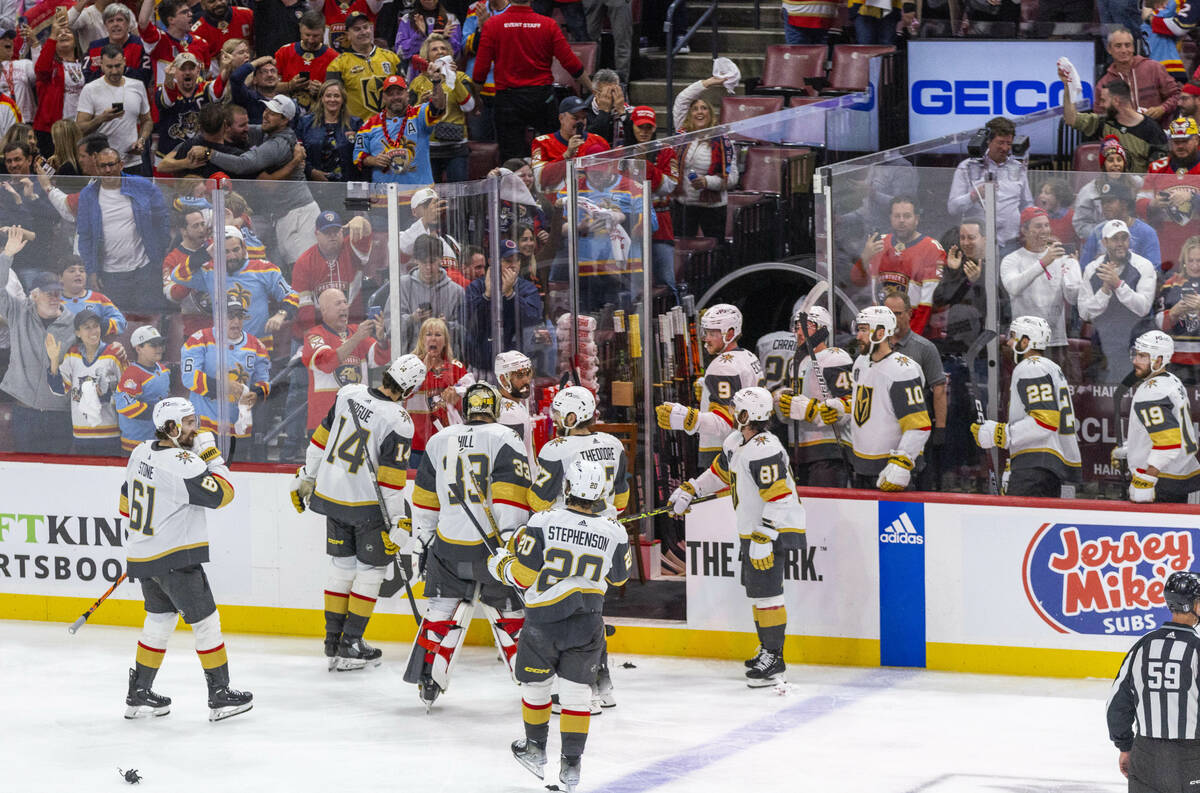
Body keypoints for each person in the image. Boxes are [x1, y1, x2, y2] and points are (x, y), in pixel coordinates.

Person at [490, 457, 630, 793]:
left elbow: (523, 575)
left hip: (544, 623)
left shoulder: (542, 521)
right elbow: (620, 576)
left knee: (536, 688)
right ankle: (572, 766)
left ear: (567, 487)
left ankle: (536, 750)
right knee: (577, 694)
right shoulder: (614, 530)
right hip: (588, 623)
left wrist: (501, 565)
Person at [119, 397, 250, 723]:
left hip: (145, 554)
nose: (197, 427)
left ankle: (139, 694)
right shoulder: (181, 461)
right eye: (190, 423)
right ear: (172, 429)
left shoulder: (140, 451)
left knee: (159, 621)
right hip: (176, 558)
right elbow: (223, 494)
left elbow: (125, 504)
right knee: (207, 623)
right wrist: (210, 453)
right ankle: (220, 697)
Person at [290, 354, 424, 669]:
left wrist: (305, 478)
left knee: (341, 566)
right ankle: (351, 642)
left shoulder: (349, 393)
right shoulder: (399, 420)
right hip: (366, 507)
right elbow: (391, 483)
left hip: (331, 498)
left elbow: (318, 443)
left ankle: (332, 641)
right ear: (409, 389)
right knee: (371, 572)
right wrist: (398, 524)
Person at [406, 380, 532, 709]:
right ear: (494, 409)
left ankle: (428, 677)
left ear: (465, 410)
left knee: (440, 612)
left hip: (448, 549)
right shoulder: (506, 437)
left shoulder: (438, 439)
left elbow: (423, 501)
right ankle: (531, 680)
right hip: (490, 550)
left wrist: (425, 541)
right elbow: (511, 498)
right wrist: (511, 545)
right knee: (510, 613)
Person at [668, 385, 805, 686]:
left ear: (747, 414)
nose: (730, 410)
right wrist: (692, 489)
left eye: (735, 407)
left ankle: (774, 657)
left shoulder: (765, 448)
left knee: (769, 594)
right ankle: (767, 650)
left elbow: (780, 496)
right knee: (759, 593)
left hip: (772, 531)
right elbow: (719, 472)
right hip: (755, 530)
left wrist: (764, 536)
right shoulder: (736, 441)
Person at [200, 96, 323, 266]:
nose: (265, 115)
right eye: (266, 110)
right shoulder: (270, 131)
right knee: (289, 268)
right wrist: (223, 127)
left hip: (299, 214)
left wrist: (208, 153)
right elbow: (245, 129)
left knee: (302, 268)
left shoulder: (279, 143)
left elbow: (243, 164)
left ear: (284, 120)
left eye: (273, 113)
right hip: (284, 214)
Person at [1110, 571, 1200, 792]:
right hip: (1190, 757)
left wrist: (1125, 746)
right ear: (1193, 606)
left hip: (1145, 755)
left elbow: (1116, 705)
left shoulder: (1142, 646)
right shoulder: (1196, 649)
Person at [971, 316, 1081, 497]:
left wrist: (1001, 434)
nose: (1008, 341)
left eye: (1013, 336)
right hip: (1046, 465)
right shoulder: (1051, 367)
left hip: (1034, 467)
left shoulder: (1031, 367)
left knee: (1018, 524)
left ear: (1026, 341)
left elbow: (1045, 421)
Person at [471, 0, 591, 162]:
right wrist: (592, 88)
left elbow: (480, 71)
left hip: (508, 100)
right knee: (555, 150)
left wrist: (476, 99)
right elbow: (572, 64)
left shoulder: (493, 24)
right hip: (541, 98)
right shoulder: (548, 24)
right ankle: (556, 182)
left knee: (511, 161)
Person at [655, 303, 764, 470]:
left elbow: (725, 422)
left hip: (722, 454)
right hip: (750, 447)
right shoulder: (749, 357)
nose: (706, 338)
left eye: (713, 333)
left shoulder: (722, 366)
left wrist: (688, 418)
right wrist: (708, 392)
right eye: (706, 332)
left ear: (730, 333)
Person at [0, 230, 76, 454]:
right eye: (48, 293)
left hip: (60, 415)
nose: (54, 297)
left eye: (58, 293)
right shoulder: (18, 313)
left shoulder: (74, 324)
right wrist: (6, 256)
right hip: (25, 412)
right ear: (34, 295)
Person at [170, 225, 299, 355]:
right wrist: (204, 254)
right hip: (225, 350)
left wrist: (281, 314)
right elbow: (177, 275)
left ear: (244, 248)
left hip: (259, 346)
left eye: (236, 250)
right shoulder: (210, 272)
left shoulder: (264, 269)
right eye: (225, 252)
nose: (232, 256)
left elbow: (292, 295)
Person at [848, 306, 932, 492]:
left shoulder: (902, 370)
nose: (858, 336)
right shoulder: (861, 363)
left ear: (880, 332)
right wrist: (839, 409)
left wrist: (902, 462)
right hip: (862, 467)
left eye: (863, 330)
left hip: (891, 471)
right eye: (858, 329)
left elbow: (919, 425)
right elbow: (863, 405)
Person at [1112, 331, 1200, 502]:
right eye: (1136, 354)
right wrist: (1132, 449)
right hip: (1176, 474)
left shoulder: (1153, 391)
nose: (1135, 361)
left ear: (1159, 360)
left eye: (1142, 356)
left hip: (1160, 480)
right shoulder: (1172, 381)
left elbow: (1168, 443)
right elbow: (1165, 431)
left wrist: (1146, 480)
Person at [774, 305, 853, 488]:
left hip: (829, 450)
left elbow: (851, 403)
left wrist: (814, 411)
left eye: (806, 326)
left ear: (822, 329)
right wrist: (781, 403)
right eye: (797, 326)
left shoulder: (835, 357)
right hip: (799, 451)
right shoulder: (796, 362)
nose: (799, 332)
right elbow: (794, 406)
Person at [180, 297, 270, 457]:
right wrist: (223, 386)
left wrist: (256, 394)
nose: (236, 321)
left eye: (239, 316)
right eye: (230, 316)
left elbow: (264, 381)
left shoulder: (256, 345)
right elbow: (189, 378)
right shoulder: (199, 339)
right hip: (204, 429)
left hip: (239, 430)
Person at [300, 287, 391, 434]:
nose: (344, 307)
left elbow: (380, 359)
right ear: (324, 311)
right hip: (326, 422)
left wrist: (381, 338)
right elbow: (326, 363)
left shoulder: (356, 330)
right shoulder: (314, 335)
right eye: (338, 304)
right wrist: (356, 338)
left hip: (357, 419)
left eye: (345, 302)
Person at [851, 195, 945, 335]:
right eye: (897, 216)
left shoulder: (932, 249)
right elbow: (856, 281)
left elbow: (927, 306)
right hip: (880, 332)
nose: (901, 221)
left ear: (917, 219)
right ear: (891, 218)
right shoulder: (879, 244)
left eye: (907, 216)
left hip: (915, 334)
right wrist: (865, 256)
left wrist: (908, 340)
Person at [1079, 220, 1158, 384]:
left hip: (1136, 342)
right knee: (1102, 400)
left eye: (1124, 238)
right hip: (1104, 343)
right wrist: (1105, 290)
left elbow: (1143, 307)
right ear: (1104, 242)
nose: (1121, 243)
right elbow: (1084, 312)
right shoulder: (1092, 269)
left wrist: (1118, 285)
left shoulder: (1144, 266)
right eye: (1115, 239)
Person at [999, 207, 1081, 360]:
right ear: (1024, 230)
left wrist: (1073, 269)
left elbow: (1073, 298)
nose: (1044, 230)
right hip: (1025, 342)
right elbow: (1013, 287)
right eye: (1038, 226)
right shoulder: (1012, 259)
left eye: (1046, 225)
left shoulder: (1060, 257)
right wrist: (1043, 262)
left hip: (1055, 340)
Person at [883, 291, 947, 489]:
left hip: (915, 427)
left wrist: (940, 428)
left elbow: (939, 389)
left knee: (919, 480)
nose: (893, 319)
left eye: (898, 313)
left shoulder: (924, 348)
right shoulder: (875, 348)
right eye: (888, 313)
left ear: (910, 314)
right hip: (885, 429)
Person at [946, 116, 1033, 252]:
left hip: (1012, 243)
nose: (1005, 148)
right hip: (977, 244)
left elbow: (1027, 204)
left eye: (1008, 143)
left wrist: (1029, 230)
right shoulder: (967, 167)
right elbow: (953, 208)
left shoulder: (1017, 168)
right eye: (1000, 142)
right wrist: (974, 195)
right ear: (988, 141)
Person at [45, 308, 123, 455]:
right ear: (77, 333)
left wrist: (105, 396)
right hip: (81, 435)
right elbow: (59, 389)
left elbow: (126, 393)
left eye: (96, 326)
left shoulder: (114, 354)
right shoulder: (72, 354)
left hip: (109, 433)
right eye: (87, 327)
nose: (93, 331)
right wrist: (54, 361)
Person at [1060, 72, 1168, 173]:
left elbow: (1159, 173)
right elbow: (1071, 119)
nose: (1101, 105)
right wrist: (1067, 87)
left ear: (1116, 101)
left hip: (1140, 190)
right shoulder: (1105, 123)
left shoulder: (1152, 130)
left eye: (1103, 100)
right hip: (1111, 187)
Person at [672, 75, 737, 240]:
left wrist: (707, 182)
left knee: (714, 254)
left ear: (711, 113)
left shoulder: (724, 141)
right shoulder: (683, 134)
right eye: (695, 109)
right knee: (683, 253)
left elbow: (732, 179)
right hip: (684, 205)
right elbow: (682, 100)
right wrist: (708, 83)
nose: (699, 112)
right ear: (689, 115)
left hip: (713, 207)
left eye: (704, 108)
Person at [463, 239, 543, 368]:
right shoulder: (477, 287)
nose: (513, 265)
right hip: (481, 365)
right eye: (507, 261)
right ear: (492, 262)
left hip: (515, 367)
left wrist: (510, 294)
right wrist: (487, 296)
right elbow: (469, 321)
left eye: (516, 260)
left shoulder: (527, 288)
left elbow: (532, 320)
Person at [293, 212, 379, 332]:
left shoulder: (351, 248)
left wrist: (362, 222)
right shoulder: (304, 262)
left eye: (336, 231)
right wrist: (313, 336)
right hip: (319, 329)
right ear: (317, 234)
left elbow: (365, 236)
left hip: (354, 327)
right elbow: (304, 307)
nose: (332, 236)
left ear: (342, 232)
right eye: (327, 232)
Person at [75, 44, 152, 174]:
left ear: (124, 62)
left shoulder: (137, 86)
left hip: (132, 161)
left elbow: (147, 120)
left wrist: (142, 140)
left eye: (118, 66)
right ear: (101, 64)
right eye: (109, 67)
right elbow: (79, 128)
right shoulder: (90, 89)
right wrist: (101, 119)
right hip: (102, 164)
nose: (115, 71)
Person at [353, 73, 440, 185]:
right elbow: (357, 156)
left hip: (420, 194)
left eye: (399, 93)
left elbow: (438, 106)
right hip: (383, 196)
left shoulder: (419, 114)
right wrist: (373, 160)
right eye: (390, 94)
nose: (395, 97)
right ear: (384, 98)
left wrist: (436, 82)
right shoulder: (368, 126)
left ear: (407, 95)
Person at [404, 316, 468, 467]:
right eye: (429, 334)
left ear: (445, 341)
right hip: (417, 445)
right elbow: (402, 394)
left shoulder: (456, 368)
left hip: (448, 441)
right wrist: (421, 371)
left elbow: (468, 403)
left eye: (438, 335)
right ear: (421, 339)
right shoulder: (409, 365)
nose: (433, 338)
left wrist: (457, 398)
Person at [409, 35, 474, 183]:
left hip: (456, 148)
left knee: (458, 194)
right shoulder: (417, 82)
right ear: (426, 55)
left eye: (443, 48)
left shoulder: (462, 77)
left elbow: (469, 106)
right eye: (434, 49)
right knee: (431, 195)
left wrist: (454, 78)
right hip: (428, 149)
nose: (440, 51)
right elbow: (408, 116)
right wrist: (421, 102)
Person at [1141, 116, 1200, 274]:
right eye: (1176, 142)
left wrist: (1194, 198)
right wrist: (1152, 204)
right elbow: (1139, 202)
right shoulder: (1157, 168)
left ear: (1196, 140)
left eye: (1185, 141)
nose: (1180, 146)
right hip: (1165, 250)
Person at [632, 105, 680, 303]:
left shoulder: (666, 151)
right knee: (633, 283)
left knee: (666, 280)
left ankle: (677, 321)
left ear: (654, 128)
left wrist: (645, 165)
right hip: (631, 224)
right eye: (640, 127)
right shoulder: (622, 151)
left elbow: (670, 186)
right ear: (632, 126)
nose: (644, 131)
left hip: (660, 222)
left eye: (648, 127)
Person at [153, 51, 230, 171]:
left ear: (198, 70)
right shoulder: (163, 90)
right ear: (175, 71)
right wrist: (168, 79)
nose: (187, 72)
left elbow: (218, 91)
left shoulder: (205, 88)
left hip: (199, 160)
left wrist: (226, 69)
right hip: (168, 161)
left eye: (191, 68)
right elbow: (168, 100)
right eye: (182, 69)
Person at [1096, 27, 1180, 128]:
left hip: (1158, 133)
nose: (1124, 50)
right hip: (1123, 138)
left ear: (1133, 48)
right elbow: (1100, 117)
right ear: (1109, 49)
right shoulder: (1104, 83)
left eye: (1127, 45)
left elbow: (1176, 95)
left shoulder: (1154, 68)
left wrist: (1162, 109)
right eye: (1118, 46)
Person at [327, 12, 403, 122]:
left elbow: (403, 93)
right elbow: (332, 101)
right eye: (357, 29)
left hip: (391, 126)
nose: (363, 32)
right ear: (348, 34)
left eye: (366, 27)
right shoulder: (337, 65)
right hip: (358, 129)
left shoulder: (391, 58)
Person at [395, 233, 465, 350]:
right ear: (415, 260)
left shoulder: (457, 292)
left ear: (441, 260)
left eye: (432, 262)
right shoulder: (402, 285)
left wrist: (446, 326)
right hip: (410, 361)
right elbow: (390, 327)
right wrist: (412, 319)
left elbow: (466, 333)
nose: (428, 267)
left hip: (444, 363)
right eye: (423, 262)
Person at [530, 95, 609, 195]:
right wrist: (566, 155)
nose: (580, 122)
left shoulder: (598, 141)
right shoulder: (542, 143)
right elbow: (539, 181)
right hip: (555, 205)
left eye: (584, 118)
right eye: (575, 118)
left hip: (592, 202)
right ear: (561, 118)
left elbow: (609, 177)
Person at [1073, 136, 1143, 243]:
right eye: (1110, 160)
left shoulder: (1138, 183)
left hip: (1135, 240)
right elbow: (1080, 225)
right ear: (1103, 165)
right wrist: (1106, 233)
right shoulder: (1088, 191)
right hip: (1102, 244)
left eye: (1119, 160)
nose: (1115, 164)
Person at [1079, 182, 1161, 272]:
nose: (1105, 206)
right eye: (1103, 202)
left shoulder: (1146, 232)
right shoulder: (1098, 231)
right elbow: (1084, 267)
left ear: (1124, 203)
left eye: (1110, 201)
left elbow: (1153, 270)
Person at [33, 21, 86, 158]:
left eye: (68, 31)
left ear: (75, 41)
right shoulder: (50, 66)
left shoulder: (86, 65)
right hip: (51, 130)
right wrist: (52, 35)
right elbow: (40, 69)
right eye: (59, 33)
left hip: (79, 128)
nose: (63, 34)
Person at [115, 324, 170, 453]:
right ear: (138, 348)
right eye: (153, 345)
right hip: (135, 444)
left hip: (156, 441)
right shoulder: (132, 374)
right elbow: (125, 406)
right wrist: (159, 412)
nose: (159, 348)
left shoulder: (163, 369)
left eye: (160, 344)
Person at [273, 10, 337, 115]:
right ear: (300, 29)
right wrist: (290, 85)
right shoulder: (284, 52)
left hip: (319, 116)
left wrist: (322, 90)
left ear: (323, 32)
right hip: (286, 115)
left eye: (316, 36)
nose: (311, 40)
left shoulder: (334, 58)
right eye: (307, 35)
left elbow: (341, 93)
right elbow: (269, 87)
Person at [296, 81, 362, 182]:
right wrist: (311, 171)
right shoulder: (305, 123)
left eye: (336, 96)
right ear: (321, 98)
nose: (332, 99)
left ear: (343, 99)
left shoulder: (356, 124)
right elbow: (297, 154)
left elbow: (361, 155)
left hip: (347, 183)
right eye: (328, 96)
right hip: (314, 183)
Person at [1155, 234, 1200, 379]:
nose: (1194, 265)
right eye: (1190, 260)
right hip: (1176, 362)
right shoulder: (1171, 283)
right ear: (1184, 261)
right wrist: (1174, 313)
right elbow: (1158, 324)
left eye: (1199, 261)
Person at [138, 0, 212, 86]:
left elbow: (206, 76)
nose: (190, 14)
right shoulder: (160, 41)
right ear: (171, 20)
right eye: (184, 12)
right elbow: (143, 22)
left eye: (189, 11)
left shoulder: (201, 43)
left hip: (196, 98)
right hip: (168, 98)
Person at [83, 4, 151, 90]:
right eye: (111, 21)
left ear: (128, 23)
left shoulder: (142, 45)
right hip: (102, 98)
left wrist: (116, 69)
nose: (115, 24)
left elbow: (145, 78)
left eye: (119, 20)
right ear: (105, 25)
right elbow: (86, 80)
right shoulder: (94, 47)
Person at [394, 0, 462, 72]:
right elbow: (400, 52)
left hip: (444, 72)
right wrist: (419, 36)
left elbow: (457, 54)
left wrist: (446, 39)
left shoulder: (451, 19)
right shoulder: (408, 19)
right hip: (416, 73)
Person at [585, 69, 632, 148]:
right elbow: (593, 141)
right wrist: (604, 112)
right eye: (606, 93)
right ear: (595, 93)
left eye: (613, 92)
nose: (611, 97)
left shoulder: (628, 111)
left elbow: (635, 139)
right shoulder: (584, 112)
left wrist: (622, 112)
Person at [0, 27, 35, 125]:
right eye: (3, 38)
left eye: (10, 38)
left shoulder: (24, 64)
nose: (9, 40)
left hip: (26, 123)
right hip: (3, 122)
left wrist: (35, 44)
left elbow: (41, 74)